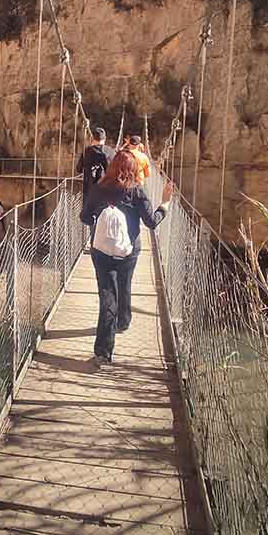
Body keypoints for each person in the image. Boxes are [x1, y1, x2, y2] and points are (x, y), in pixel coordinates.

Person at [80, 150, 174, 366]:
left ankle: (103, 352)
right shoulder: (136, 192)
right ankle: (123, 321)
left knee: (107, 296)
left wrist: (101, 218)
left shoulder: (98, 190)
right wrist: (165, 203)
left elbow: (85, 218)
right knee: (125, 284)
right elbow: (151, 222)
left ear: (112, 167)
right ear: (134, 171)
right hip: (129, 250)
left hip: (101, 251)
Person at [77, 126, 115, 199]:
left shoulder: (87, 151)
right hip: (106, 191)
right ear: (105, 138)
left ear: (93, 138)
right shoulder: (111, 151)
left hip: (89, 192)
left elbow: (78, 169)